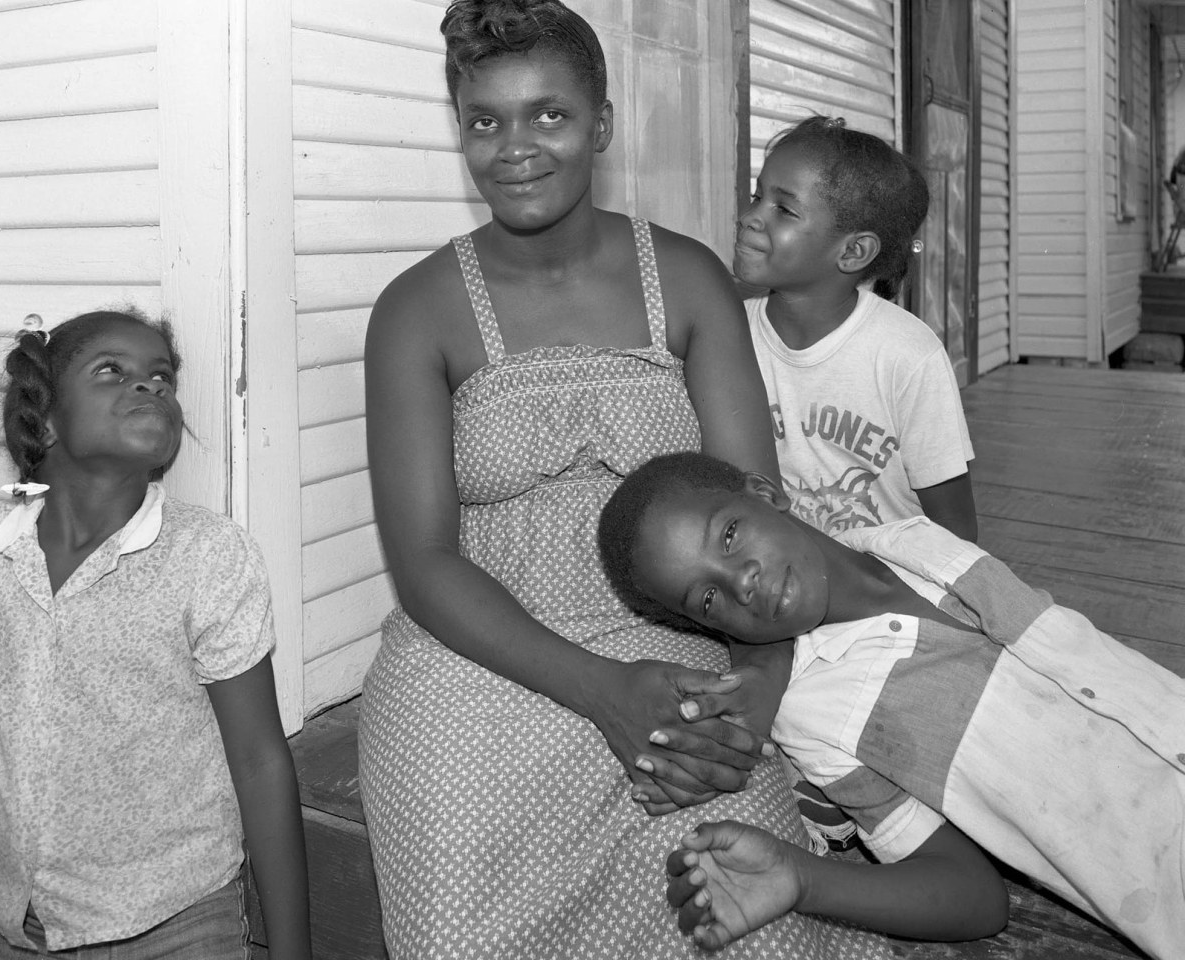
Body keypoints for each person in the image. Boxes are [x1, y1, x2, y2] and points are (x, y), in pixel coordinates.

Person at [356, 2, 888, 958]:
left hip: (684, 633)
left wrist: (755, 692)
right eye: (485, 120)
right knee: (460, 923)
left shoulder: (685, 281)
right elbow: (426, 565)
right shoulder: (415, 312)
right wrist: (603, 692)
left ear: (601, 124)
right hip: (481, 656)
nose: (515, 147)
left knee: (753, 922)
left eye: (548, 114)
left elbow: (760, 518)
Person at [597, 451, 1185, 960]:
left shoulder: (915, 541)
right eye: (706, 597)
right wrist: (801, 878)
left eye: (728, 537)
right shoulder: (818, 711)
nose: (740, 582)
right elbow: (975, 898)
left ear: (766, 493)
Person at [0, 310, 311, 959]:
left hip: (176, 923)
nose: (150, 386)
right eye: (113, 371)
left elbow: (260, 762)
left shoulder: (210, 556)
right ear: (45, 417)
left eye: (161, 376)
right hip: (11, 922)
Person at [736, 116, 976, 540]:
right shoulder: (729, 330)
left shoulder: (907, 355)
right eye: (756, 198)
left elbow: (956, 531)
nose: (749, 218)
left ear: (853, 251)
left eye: (784, 210)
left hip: (890, 581)